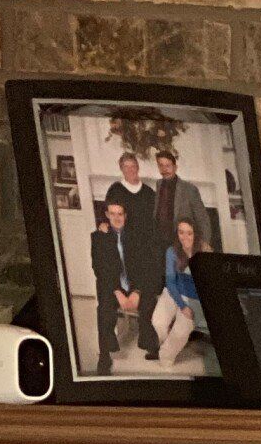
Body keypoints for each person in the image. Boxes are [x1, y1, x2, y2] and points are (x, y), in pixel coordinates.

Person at [88, 192, 155, 370]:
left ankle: (148, 341)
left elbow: (145, 266)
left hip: (134, 285)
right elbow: (100, 270)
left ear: (125, 216)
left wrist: (137, 292)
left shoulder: (137, 235)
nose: (116, 218)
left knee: (150, 302)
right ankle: (104, 356)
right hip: (111, 286)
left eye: (120, 214)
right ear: (107, 215)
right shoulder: (98, 237)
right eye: (112, 214)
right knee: (104, 310)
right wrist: (118, 292)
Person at [149, 212, 205, 368]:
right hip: (173, 292)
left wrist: (190, 307)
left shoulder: (204, 251)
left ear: (196, 234)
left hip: (194, 298)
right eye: (181, 232)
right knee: (158, 322)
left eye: (189, 233)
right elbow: (170, 282)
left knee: (180, 333)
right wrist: (182, 306)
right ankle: (167, 345)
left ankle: (166, 356)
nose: (184, 237)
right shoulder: (172, 251)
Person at [152, 148, 217, 260]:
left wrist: (205, 242)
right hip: (160, 242)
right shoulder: (158, 184)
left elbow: (202, 218)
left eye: (168, 166)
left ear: (175, 167)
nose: (164, 169)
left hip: (180, 242)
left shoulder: (189, 189)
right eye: (161, 165)